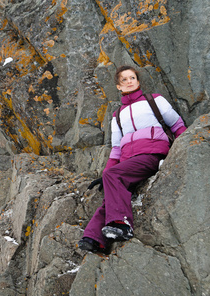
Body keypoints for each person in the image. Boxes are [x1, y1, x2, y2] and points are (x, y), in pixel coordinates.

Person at [78, 65, 187, 253]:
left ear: (137, 81)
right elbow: (117, 148)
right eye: (124, 80)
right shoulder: (117, 116)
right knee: (113, 196)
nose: (129, 81)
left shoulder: (154, 101)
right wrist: (106, 175)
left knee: (114, 177)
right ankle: (94, 239)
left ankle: (122, 224)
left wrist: (184, 153)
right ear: (118, 86)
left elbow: (177, 126)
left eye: (132, 78)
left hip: (152, 156)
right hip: (129, 163)